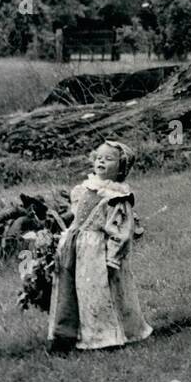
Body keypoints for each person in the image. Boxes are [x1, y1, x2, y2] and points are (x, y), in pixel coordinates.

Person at [47, 141, 153, 352]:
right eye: (98, 157)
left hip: (98, 253)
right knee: (75, 292)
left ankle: (104, 337)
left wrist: (113, 257)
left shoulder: (116, 198)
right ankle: (71, 333)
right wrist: (64, 241)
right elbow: (77, 220)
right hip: (77, 249)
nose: (101, 161)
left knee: (98, 293)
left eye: (109, 158)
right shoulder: (84, 189)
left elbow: (120, 231)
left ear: (121, 167)